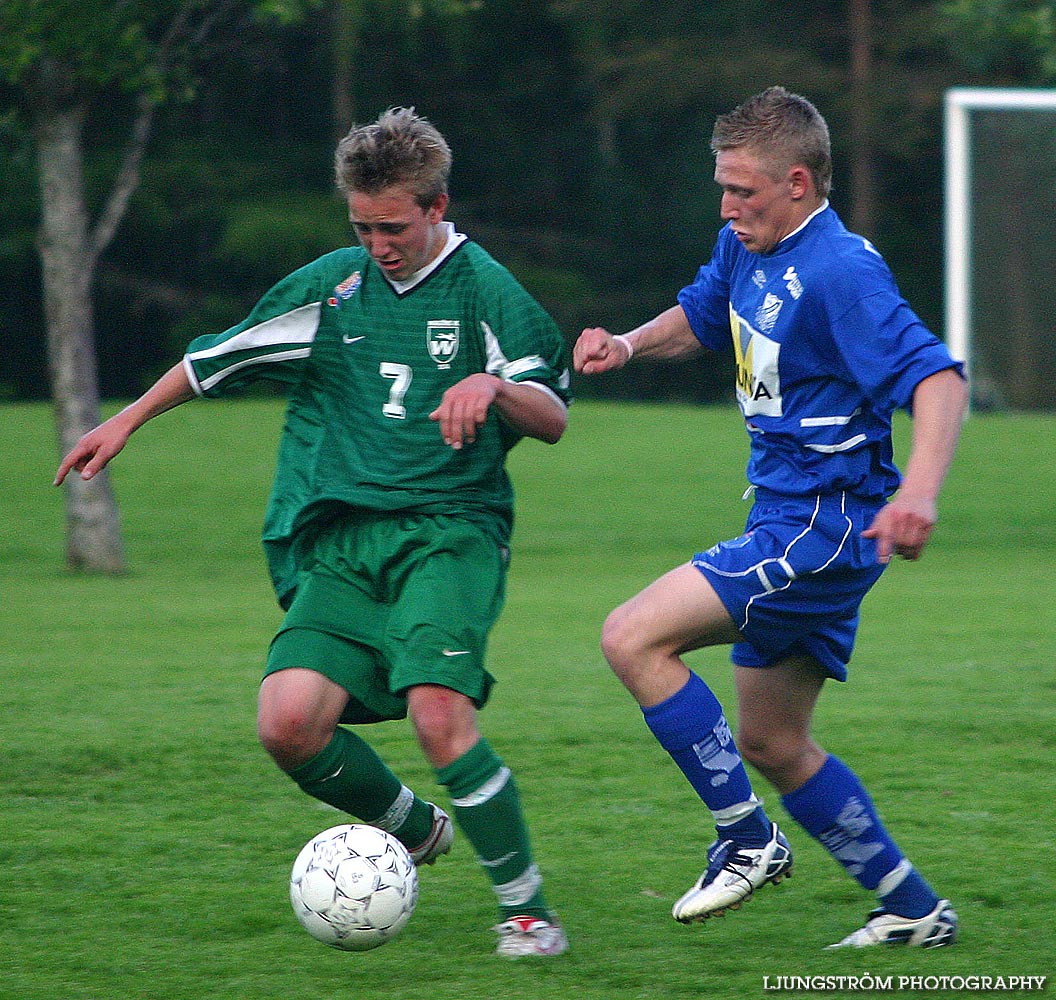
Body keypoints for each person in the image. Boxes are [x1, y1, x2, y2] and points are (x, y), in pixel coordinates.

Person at [56, 107, 571, 958]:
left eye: (394, 226)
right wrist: (127, 421)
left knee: (439, 716)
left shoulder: (487, 289)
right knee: (287, 724)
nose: (379, 244)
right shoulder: (334, 286)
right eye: (362, 226)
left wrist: (494, 389)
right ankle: (416, 828)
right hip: (345, 540)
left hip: (450, 532)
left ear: (438, 206)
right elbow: (214, 359)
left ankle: (529, 914)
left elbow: (551, 416)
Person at [573, 86, 967, 949]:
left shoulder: (841, 271)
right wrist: (631, 344)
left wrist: (921, 492)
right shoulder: (746, 247)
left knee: (631, 636)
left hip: (819, 528)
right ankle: (912, 909)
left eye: (741, 191)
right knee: (773, 741)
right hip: (801, 523)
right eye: (720, 187)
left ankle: (747, 841)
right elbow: (704, 316)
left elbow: (938, 379)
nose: (726, 206)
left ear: (796, 182)